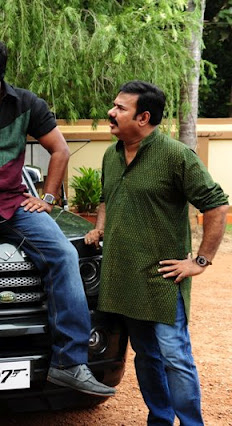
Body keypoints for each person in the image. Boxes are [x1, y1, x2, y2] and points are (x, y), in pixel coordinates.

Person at [0, 37, 116, 403]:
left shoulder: (26, 103)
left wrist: (47, 198)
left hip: (14, 201)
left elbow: (60, 149)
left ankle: (69, 362)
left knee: (64, 253)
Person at [84, 80, 229, 425]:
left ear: (143, 117)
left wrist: (200, 261)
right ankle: (160, 420)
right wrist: (100, 226)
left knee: (175, 357)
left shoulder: (176, 156)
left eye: (120, 108)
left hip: (162, 278)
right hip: (123, 277)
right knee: (146, 356)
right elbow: (107, 198)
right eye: (114, 105)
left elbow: (217, 205)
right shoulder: (111, 155)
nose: (111, 112)